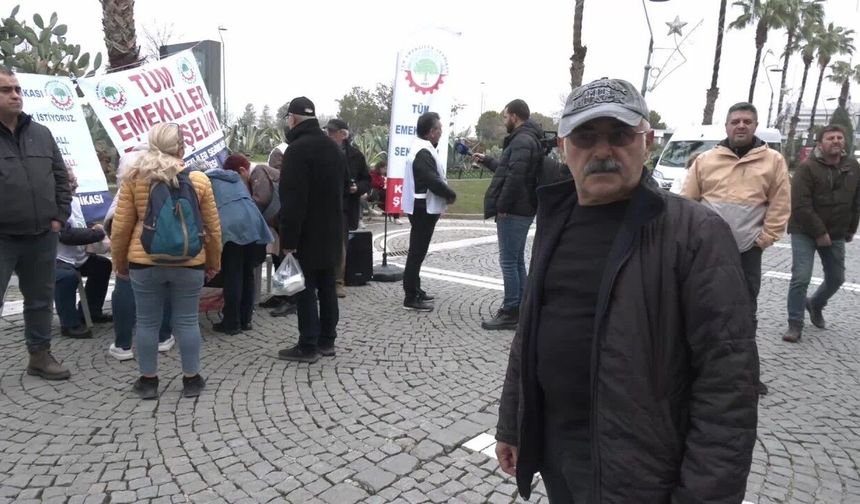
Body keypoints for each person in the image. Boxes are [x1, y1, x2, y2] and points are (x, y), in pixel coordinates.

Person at [495, 78, 759, 503]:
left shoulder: (697, 233)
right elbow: (529, 333)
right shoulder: (555, 219)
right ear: (563, 145)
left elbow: (728, 384)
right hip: (559, 454)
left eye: (619, 135)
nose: (602, 151)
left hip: (642, 472)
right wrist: (514, 424)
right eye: (585, 136)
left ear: (647, 141)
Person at [681, 101, 790, 395]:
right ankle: (695, 368)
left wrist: (763, 240)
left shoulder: (773, 162)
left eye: (747, 121)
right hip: (705, 252)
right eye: (735, 121)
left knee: (744, 312)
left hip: (747, 252)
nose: (741, 125)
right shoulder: (705, 160)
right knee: (699, 307)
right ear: (726, 126)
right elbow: (687, 203)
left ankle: (744, 374)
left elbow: (780, 205)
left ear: (755, 126)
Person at [111, 122, 222, 399]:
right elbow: (212, 227)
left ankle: (149, 381)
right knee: (186, 321)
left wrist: (120, 263)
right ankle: (192, 379)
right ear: (181, 147)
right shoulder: (199, 180)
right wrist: (213, 261)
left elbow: (121, 227)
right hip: (189, 262)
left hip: (144, 261)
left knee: (147, 322)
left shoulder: (135, 177)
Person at [0, 66, 72, 380]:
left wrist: (60, 216)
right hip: (3, 237)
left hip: (43, 234)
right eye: (6, 90)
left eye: (17, 89)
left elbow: (61, 176)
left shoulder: (41, 133)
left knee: (41, 299)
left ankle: (39, 357)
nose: (15, 95)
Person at [277, 97, 346, 363]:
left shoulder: (296, 151)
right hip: (331, 230)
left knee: (304, 288)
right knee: (327, 286)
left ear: (292, 119)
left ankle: (307, 345)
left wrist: (289, 239)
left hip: (306, 233)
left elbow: (293, 200)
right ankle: (327, 340)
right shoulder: (333, 148)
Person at [783, 125, 860, 342]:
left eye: (839, 138)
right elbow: (800, 204)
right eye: (830, 138)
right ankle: (795, 323)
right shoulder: (807, 168)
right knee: (801, 277)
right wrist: (819, 232)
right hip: (804, 231)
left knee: (837, 278)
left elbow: (856, 201)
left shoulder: (853, 166)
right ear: (820, 143)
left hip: (836, 232)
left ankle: (815, 304)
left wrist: (851, 229)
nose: (836, 141)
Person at [472, 99, 544, 330]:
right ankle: (522, 308)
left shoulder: (522, 139)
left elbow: (515, 177)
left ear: (514, 116)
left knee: (508, 261)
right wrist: (489, 161)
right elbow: (509, 168)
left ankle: (511, 310)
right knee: (516, 260)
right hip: (522, 208)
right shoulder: (528, 138)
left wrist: (502, 206)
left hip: (515, 209)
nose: (504, 122)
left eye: (505, 117)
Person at [104, 143, 175, 361]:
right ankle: (163, 337)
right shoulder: (168, 166)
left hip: (131, 235)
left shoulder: (129, 164)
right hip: (163, 234)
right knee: (164, 286)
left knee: (125, 284)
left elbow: (122, 224)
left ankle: (123, 344)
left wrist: (118, 259)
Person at [207, 154, 273, 335]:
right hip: (254, 224)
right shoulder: (237, 179)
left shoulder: (209, 181)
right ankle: (246, 320)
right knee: (247, 274)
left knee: (233, 275)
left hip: (232, 227)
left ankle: (231, 322)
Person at [401, 112, 457, 312]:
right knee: (417, 251)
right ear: (432, 132)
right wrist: (450, 194)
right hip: (422, 207)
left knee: (418, 250)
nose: (441, 132)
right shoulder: (423, 152)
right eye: (439, 129)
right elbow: (431, 180)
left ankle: (415, 288)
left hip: (421, 206)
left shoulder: (422, 148)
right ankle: (410, 295)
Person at [54, 166, 112, 339]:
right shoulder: (53, 204)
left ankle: (91, 311)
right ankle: (69, 323)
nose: (76, 183)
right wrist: (97, 233)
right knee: (67, 277)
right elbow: (66, 234)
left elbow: (79, 225)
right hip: (56, 259)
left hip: (77, 257)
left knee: (103, 266)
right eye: (71, 180)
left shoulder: (74, 200)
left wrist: (92, 227)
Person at [325, 118, 371, 298]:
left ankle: (337, 282)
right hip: (323, 205)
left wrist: (357, 188)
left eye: (332, 132)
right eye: (327, 131)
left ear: (343, 134)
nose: (328, 135)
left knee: (340, 246)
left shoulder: (356, 156)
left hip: (344, 206)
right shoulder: (322, 152)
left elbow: (367, 181)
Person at [370, 160, 402, 225]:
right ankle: (393, 215)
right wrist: (383, 184)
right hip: (375, 192)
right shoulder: (373, 174)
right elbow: (374, 184)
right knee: (389, 195)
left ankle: (395, 216)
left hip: (382, 191)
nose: (386, 170)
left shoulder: (384, 175)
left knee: (394, 195)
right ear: (380, 168)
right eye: (385, 168)